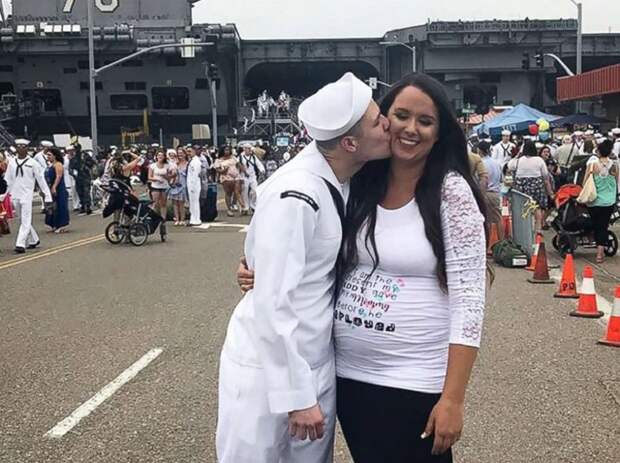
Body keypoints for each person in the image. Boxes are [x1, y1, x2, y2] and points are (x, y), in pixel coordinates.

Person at [237, 73, 489, 462]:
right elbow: (317, 253)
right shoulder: (358, 184)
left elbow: (469, 300)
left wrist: (453, 398)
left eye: (425, 121)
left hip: (414, 381)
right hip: (350, 379)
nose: (409, 128)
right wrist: (262, 271)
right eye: (400, 116)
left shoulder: (451, 192)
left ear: (440, 133)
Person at [217, 72, 391, 463]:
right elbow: (273, 302)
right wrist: (296, 396)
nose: (387, 124)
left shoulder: (340, 177)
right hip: (270, 372)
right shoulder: (296, 193)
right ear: (349, 143)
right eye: (377, 120)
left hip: (313, 358)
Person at [1, 139, 52, 253]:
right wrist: (3, 195)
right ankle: (34, 239)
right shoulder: (12, 163)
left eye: (23, 147)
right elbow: (7, 180)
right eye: (18, 147)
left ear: (27, 149)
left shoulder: (33, 163)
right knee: (22, 219)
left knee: (26, 219)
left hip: (27, 195)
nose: (20, 149)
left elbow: (41, 180)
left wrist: (48, 196)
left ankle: (20, 244)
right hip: (15, 194)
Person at [508, 139, 554, 233]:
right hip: (536, 186)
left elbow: (509, 166)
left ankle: (524, 230)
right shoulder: (539, 160)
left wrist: (518, 154)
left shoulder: (518, 161)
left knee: (524, 208)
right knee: (537, 208)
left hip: (522, 187)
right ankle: (538, 229)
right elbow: (546, 178)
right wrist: (550, 193)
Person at [583, 140, 618, 263]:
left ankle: (596, 247)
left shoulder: (592, 165)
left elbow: (585, 181)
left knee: (596, 224)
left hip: (594, 201)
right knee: (603, 225)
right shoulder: (614, 165)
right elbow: (616, 182)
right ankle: (600, 253)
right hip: (609, 201)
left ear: (598, 152)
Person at [478, 140, 503, 238]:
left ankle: (487, 243)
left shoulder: (481, 163)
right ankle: (502, 241)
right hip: (496, 193)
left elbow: (481, 180)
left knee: (487, 220)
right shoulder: (496, 163)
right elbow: (501, 179)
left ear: (479, 150)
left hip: (485, 193)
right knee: (498, 218)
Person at [43, 147, 70, 233]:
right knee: (51, 207)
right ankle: (53, 224)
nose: (48, 157)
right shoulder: (49, 165)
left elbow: (59, 176)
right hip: (49, 187)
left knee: (59, 206)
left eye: (49, 155)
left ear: (54, 156)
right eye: (47, 155)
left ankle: (61, 225)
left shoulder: (58, 164)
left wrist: (54, 186)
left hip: (58, 188)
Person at [214, 145, 245, 217]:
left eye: (228, 150)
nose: (227, 151)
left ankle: (242, 206)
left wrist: (244, 172)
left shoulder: (233, 157)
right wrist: (223, 170)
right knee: (228, 193)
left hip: (236, 176)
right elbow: (217, 170)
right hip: (226, 177)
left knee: (237, 191)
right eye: (225, 150)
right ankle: (229, 209)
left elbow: (239, 165)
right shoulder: (218, 160)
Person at [148, 150, 172, 240]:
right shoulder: (152, 166)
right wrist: (157, 179)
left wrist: (166, 177)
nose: (160, 157)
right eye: (159, 155)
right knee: (155, 203)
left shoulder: (167, 166)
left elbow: (169, 177)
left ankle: (163, 220)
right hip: (155, 186)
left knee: (163, 204)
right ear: (156, 156)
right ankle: (152, 218)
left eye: (162, 155)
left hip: (164, 186)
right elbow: (149, 177)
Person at [69, 144, 95, 215]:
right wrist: (73, 174)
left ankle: (88, 206)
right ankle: (83, 206)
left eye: (77, 148)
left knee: (86, 192)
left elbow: (92, 163)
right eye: (75, 148)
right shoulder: (73, 158)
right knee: (80, 192)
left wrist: (86, 165)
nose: (76, 150)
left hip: (86, 177)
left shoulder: (85, 156)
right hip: (78, 178)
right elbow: (70, 168)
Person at [239, 144, 264, 214]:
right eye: (248, 148)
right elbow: (237, 165)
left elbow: (259, 164)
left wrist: (262, 170)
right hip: (244, 176)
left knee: (254, 190)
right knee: (244, 191)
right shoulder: (240, 157)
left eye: (250, 149)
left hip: (253, 176)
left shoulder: (253, 157)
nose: (250, 150)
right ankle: (245, 207)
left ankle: (253, 205)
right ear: (244, 149)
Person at [168, 148, 188, 226]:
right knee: (175, 203)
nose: (180, 155)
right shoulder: (174, 163)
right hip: (174, 184)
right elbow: (169, 173)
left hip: (183, 184)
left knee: (181, 203)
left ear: (185, 154)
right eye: (178, 153)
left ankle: (182, 219)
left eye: (181, 153)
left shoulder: (188, 163)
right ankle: (177, 219)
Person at [186, 147, 202, 226]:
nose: (188, 153)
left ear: (194, 151)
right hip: (191, 184)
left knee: (194, 203)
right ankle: (193, 219)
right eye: (187, 151)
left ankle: (196, 219)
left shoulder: (196, 161)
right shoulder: (192, 160)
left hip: (194, 185)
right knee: (192, 203)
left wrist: (192, 186)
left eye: (190, 151)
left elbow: (195, 174)